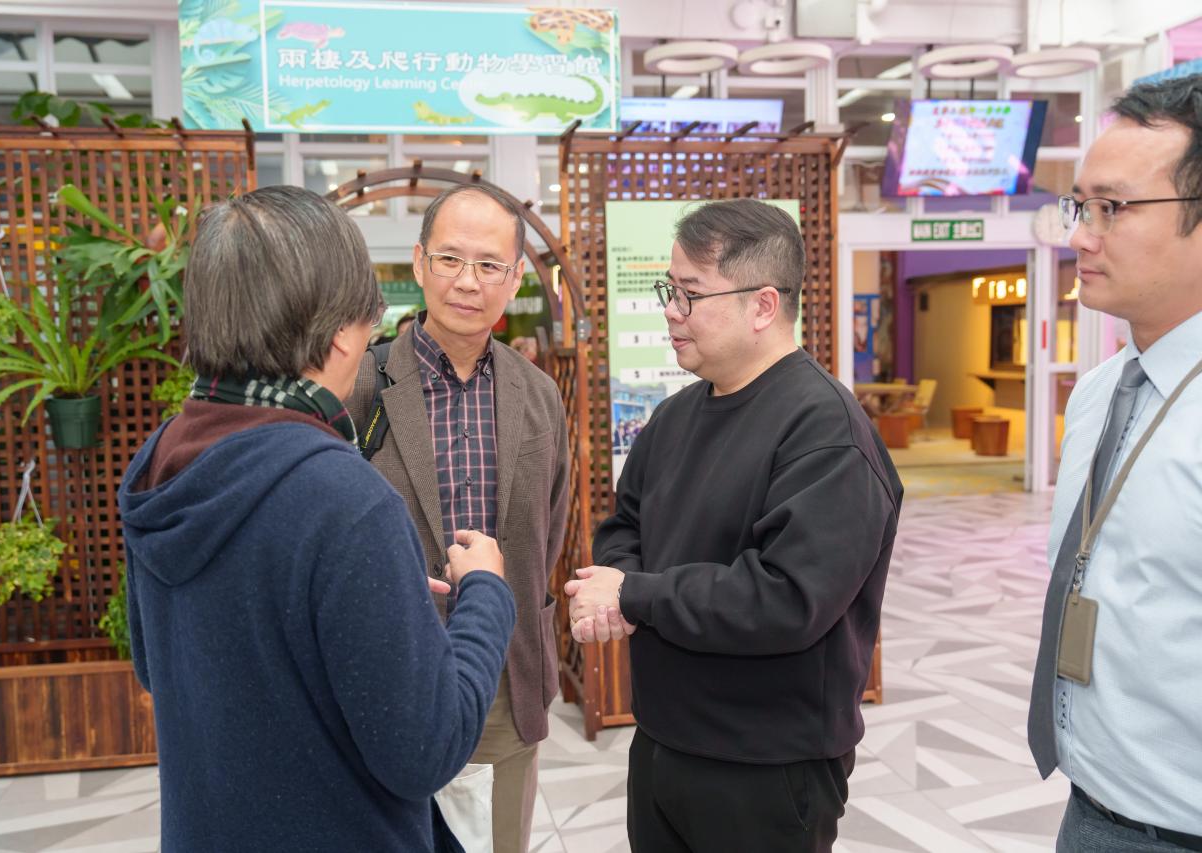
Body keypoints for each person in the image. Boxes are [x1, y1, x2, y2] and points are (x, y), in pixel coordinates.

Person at [118, 186, 515, 852]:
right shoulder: (344, 499)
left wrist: (370, 603)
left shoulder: (162, 458)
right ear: (338, 333)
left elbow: (161, 664)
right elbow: (427, 748)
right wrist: (485, 594)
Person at [565, 199, 903, 852]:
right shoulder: (675, 416)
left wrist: (635, 595)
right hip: (662, 738)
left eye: (690, 294)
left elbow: (786, 598)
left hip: (765, 764)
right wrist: (619, 585)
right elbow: (624, 525)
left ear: (763, 306)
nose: (671, 310)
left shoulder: (825, 431)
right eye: (669, 290)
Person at [346, 182, 570, 853]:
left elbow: (550, 529)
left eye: (489, 264)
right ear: (419, 264)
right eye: (449, 259)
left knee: (500, 839)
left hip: (505, 673)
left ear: (514, 278)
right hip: (389, 673)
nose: (467, 281)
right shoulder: (360, 386)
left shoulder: (539, 395)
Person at [1027, 75, 1202, 852]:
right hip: (1092, 800)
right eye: (1080, 207)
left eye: (1113, 208)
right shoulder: (1099, 391)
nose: (1080, 237)